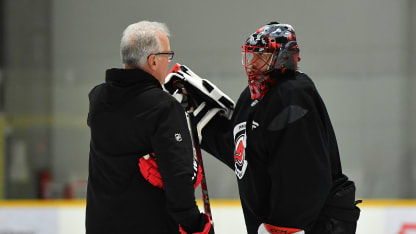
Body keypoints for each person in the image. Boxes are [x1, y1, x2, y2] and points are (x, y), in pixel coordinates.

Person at [169, 22, 361, 234]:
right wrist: (199, 113)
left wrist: (284, 228)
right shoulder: (250, 98)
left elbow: (306, 175)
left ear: (283, 57)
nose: (253, 63)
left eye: (262, 56)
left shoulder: (294, 95)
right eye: (252, 56)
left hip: (312, 226)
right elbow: (242, 154)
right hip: (271, 225)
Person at [86, 21, 212, 234]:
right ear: (153, 61)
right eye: (167, 56)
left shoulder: (98, 98)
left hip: (100, 225)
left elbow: (131, 117)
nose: (170, 63)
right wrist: (196, 225)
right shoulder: (164, 108)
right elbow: (178, 178)